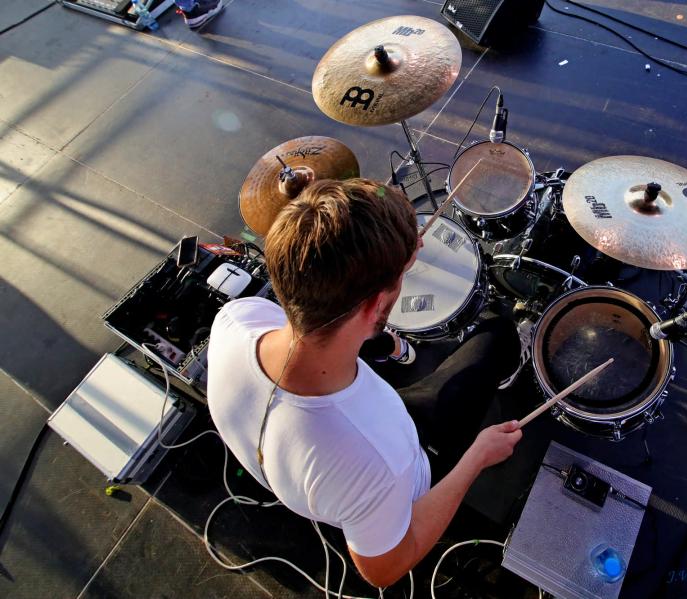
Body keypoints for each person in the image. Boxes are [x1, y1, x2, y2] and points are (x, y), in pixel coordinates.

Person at [207, 179, 523, 587]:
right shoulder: (377, 463)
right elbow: (384, 569)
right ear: (375, 306)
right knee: (496, 337)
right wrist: (476, 458)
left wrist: (389, 277)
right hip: (410, 468)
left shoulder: (236, 320)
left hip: (321, 460)